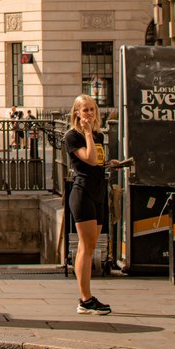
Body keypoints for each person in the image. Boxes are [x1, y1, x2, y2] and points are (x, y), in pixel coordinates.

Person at [65, 93, 117, 316]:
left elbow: (98, 161)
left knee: (92, 245)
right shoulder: (73, 136)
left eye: (92, 109)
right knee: (85, 247)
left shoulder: (98, 135)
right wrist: (86, 133)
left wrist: (110, 163)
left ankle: (86, 298)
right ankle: (85, 299)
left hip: (98, 190)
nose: (89, 113)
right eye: (85, 109)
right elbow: (89, 158)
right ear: (76, 112)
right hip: (83, 191)